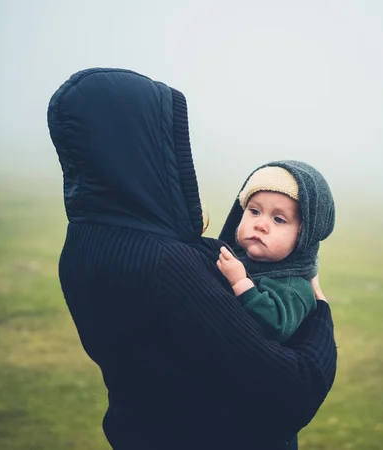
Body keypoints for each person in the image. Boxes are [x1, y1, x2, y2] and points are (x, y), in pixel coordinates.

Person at [47, 67, 337, 450]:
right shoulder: (170, 266)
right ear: (144, 150)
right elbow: (291, 392)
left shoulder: (83, 245)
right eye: (170, 144)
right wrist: (320, 311)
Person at [217, 162, 335, 343]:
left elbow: (275, 327)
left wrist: (240, 282)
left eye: (278, 219)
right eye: (254, 211)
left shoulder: (294, 286)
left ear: (304, 235)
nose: (260, 225)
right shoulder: (236, 256)